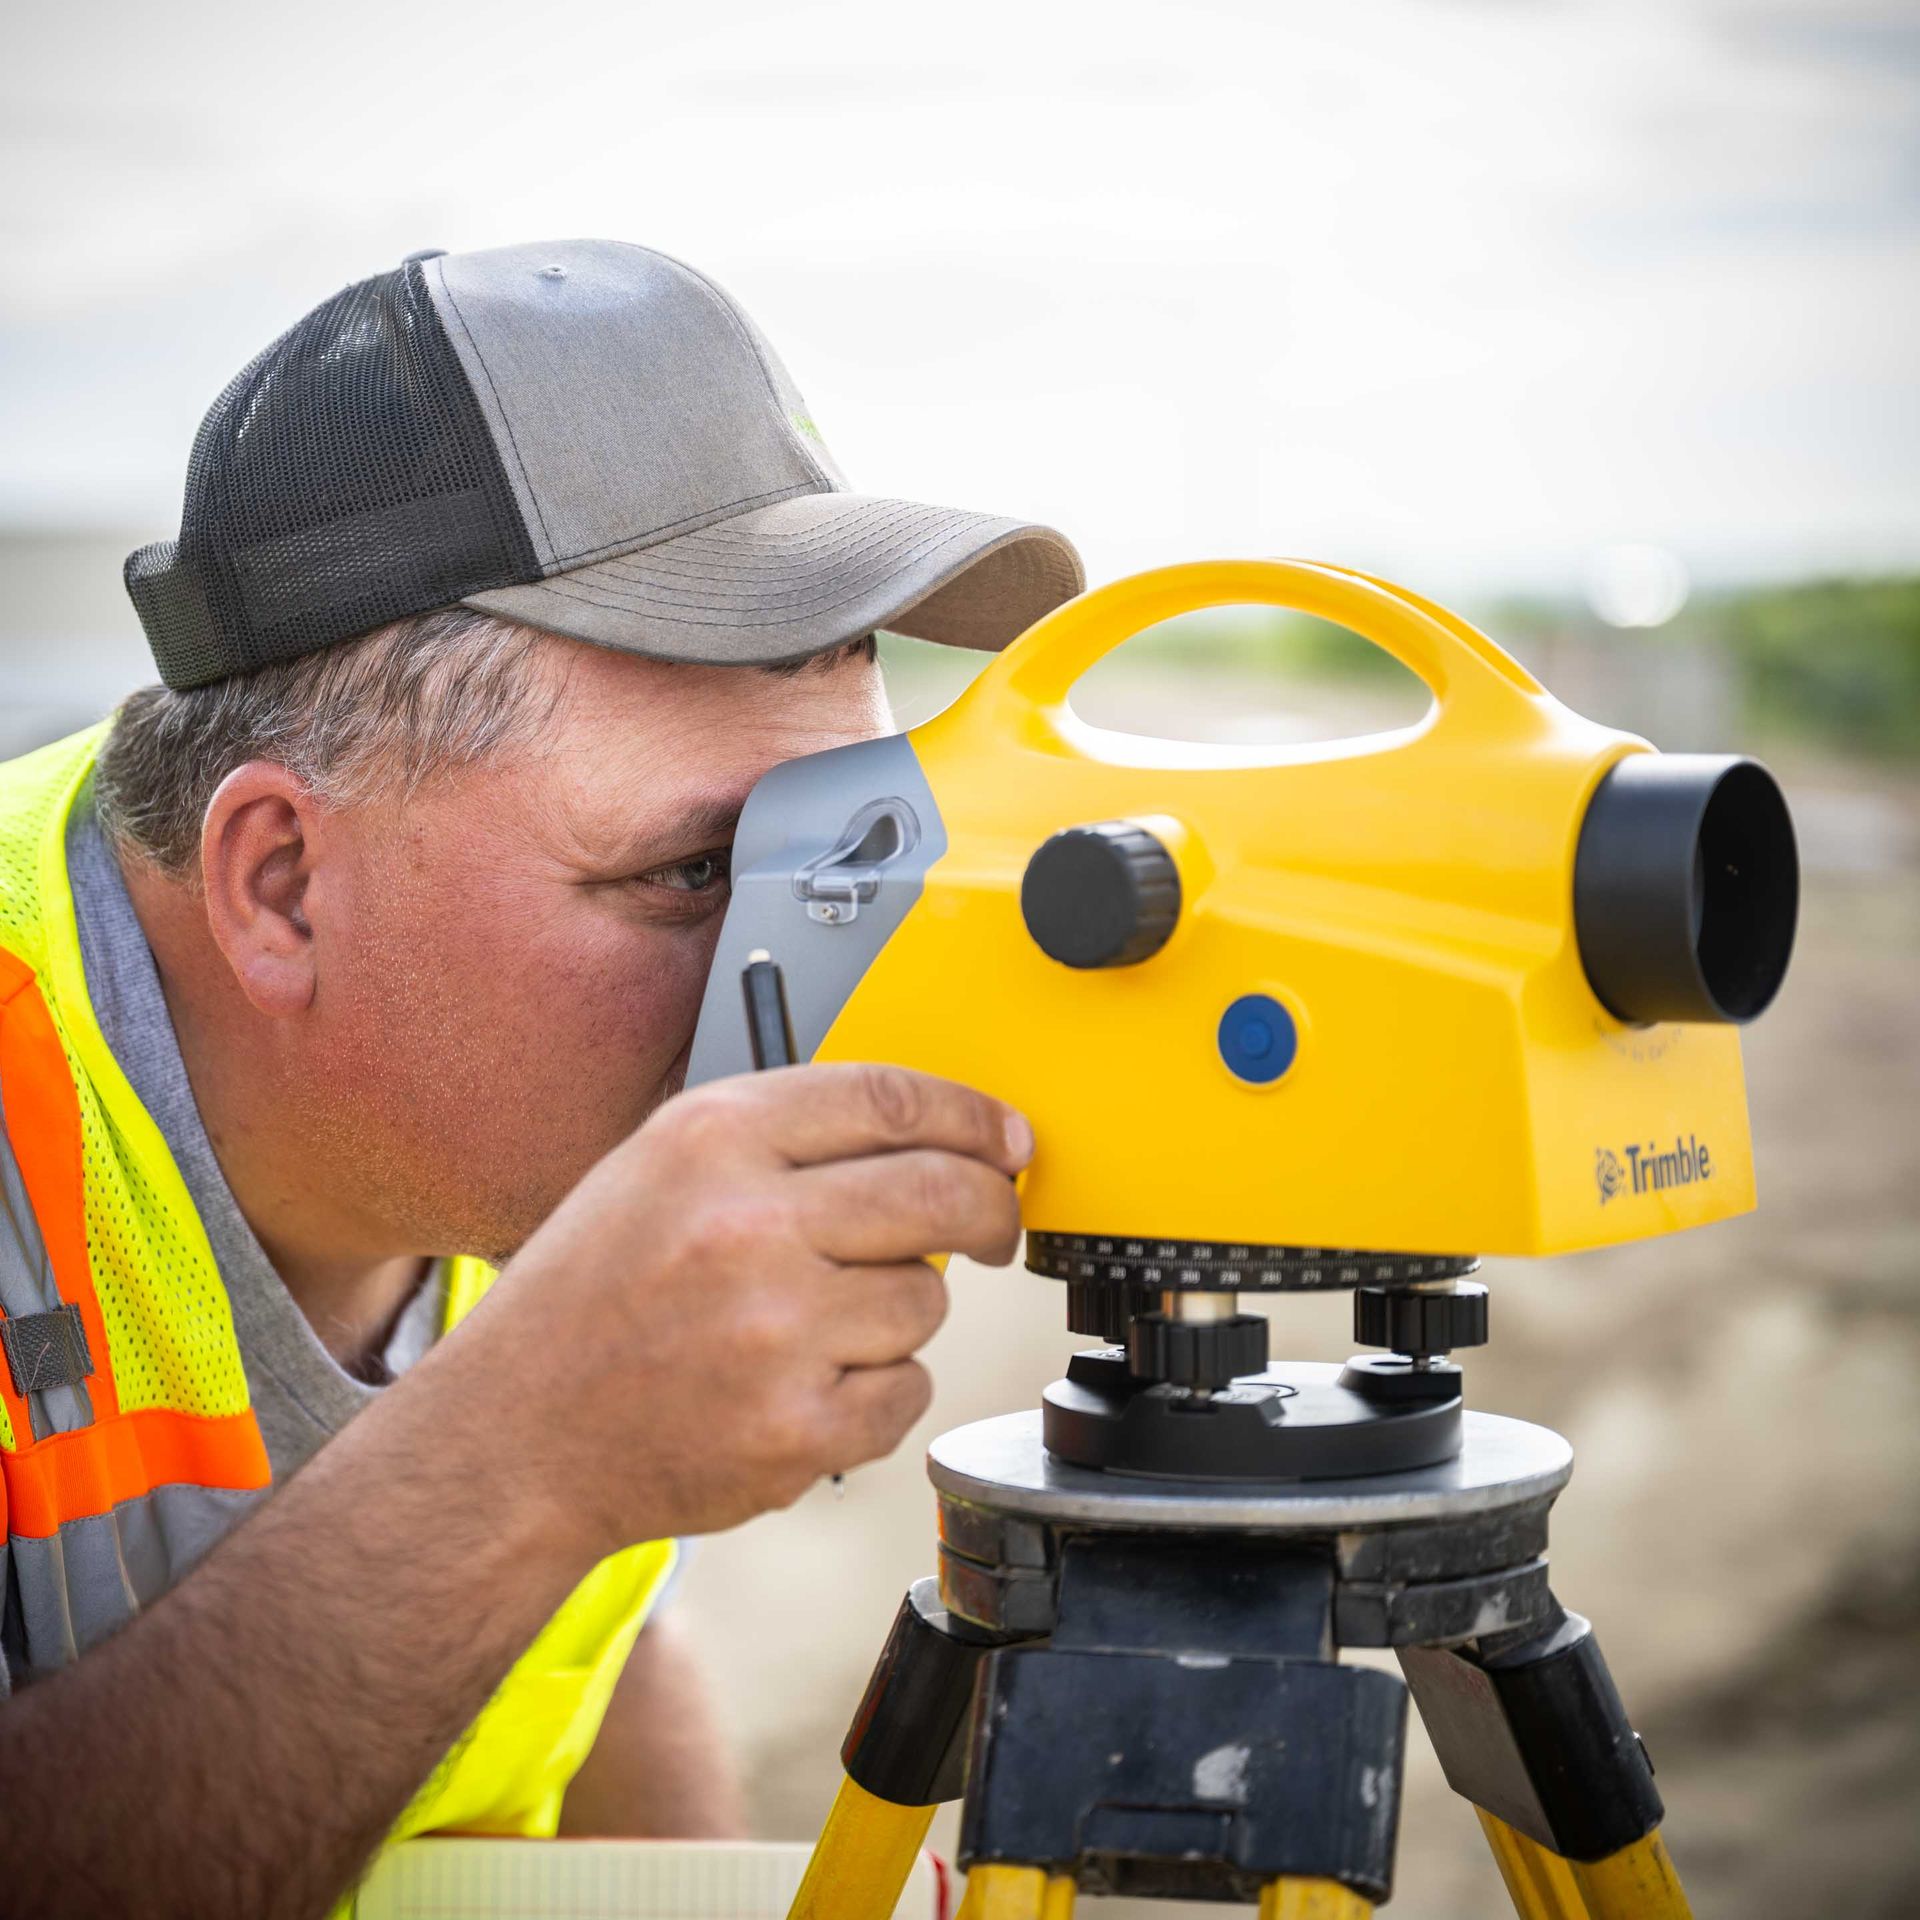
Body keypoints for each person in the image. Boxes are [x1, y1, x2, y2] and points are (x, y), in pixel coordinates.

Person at [0, 238, 1082, 1919]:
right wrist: (523, 1459)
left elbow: (578, 1654)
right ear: (281, 881)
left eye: (837, 852)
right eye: (694, 874)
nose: (804, 965)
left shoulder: (501, 1096)